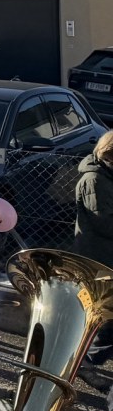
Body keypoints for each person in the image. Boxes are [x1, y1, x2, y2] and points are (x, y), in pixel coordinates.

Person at [75, 130, 113, 364]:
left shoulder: (106, 176)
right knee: (102, 312)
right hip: (99, 257)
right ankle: (88, 360)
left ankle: (90, 358)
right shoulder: (95, 180)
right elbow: (103, 221)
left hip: (105, 254)